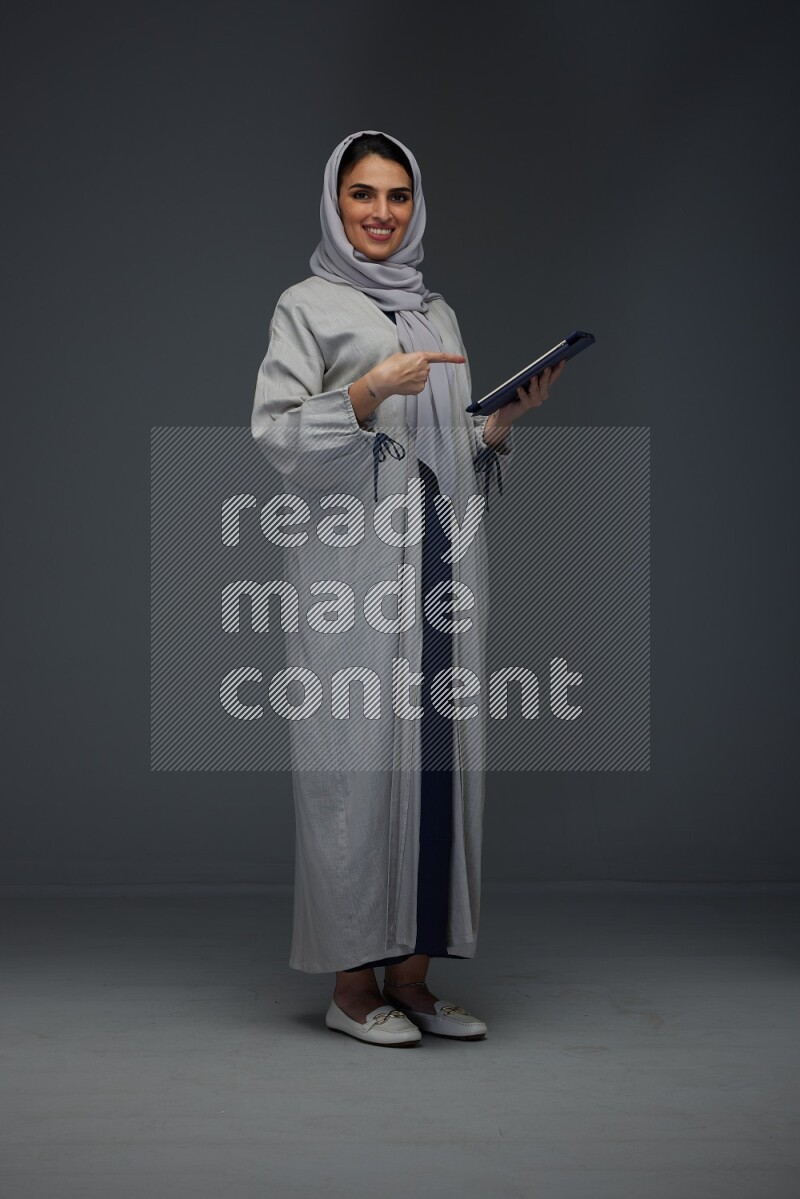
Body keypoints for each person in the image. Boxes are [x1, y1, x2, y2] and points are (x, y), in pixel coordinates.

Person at [251, 130, 565, 1046]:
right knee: (354, 768)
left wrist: (497, 427)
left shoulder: (438, 313)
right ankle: (353, 990)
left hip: (438, 569)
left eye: (396, 196)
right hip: (353, 579)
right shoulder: (305, 307)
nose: (380, 213)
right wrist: (362, 393)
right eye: (361, 194)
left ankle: (415, 981)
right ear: (334, 202)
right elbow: (274, 435)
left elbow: (449, 449)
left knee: (437, 768)